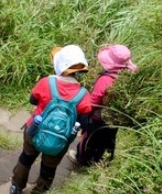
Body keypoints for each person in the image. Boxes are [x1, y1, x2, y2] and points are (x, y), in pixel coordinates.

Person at [9, 45, 93, 194]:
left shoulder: (46, 82)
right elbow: (84, 122)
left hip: (34, 129)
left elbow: (33, 100)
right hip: (60, 138)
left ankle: (16, 186)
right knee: (49, 168)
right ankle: (39, 191)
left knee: (26, 158)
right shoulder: (83, 95)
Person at [69, 44, 137, 166]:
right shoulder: (130, 74)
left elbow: (95, 99)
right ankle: (104, 161)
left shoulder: (106, 79)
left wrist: (87, 112)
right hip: (116, 117)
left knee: (90, 137)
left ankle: (81, 158)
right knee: (109, 139)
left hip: (99, 116)